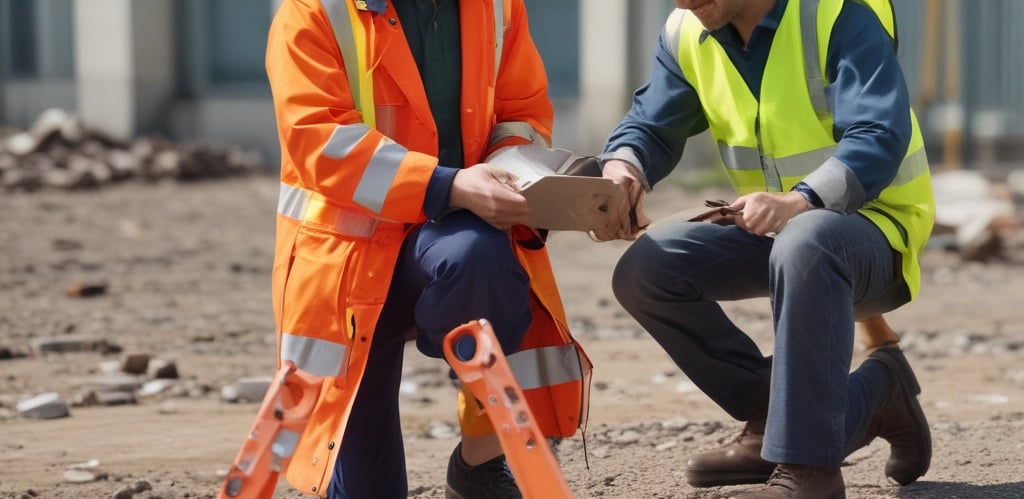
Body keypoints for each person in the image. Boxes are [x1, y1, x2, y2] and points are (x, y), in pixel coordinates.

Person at [595, 0, 935, 497]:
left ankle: (808, 469)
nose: (681, 2)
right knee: (647, 269)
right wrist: (623, 167)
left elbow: (879, 134)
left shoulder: (837, 14)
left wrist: (802, 200)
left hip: (879, 231)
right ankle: (783, 422)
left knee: (807, 239)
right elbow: (651, 124)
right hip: (779, 233)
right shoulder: (688, 30)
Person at [263, 1, 590, 498]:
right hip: (346, 269)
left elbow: (520, 112)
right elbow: (317, 138)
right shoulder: (316, 10)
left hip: (448, 241)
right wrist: (450, 186)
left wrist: (509, 174)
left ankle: (479, 464)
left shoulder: (497, 7)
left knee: (479, 261)